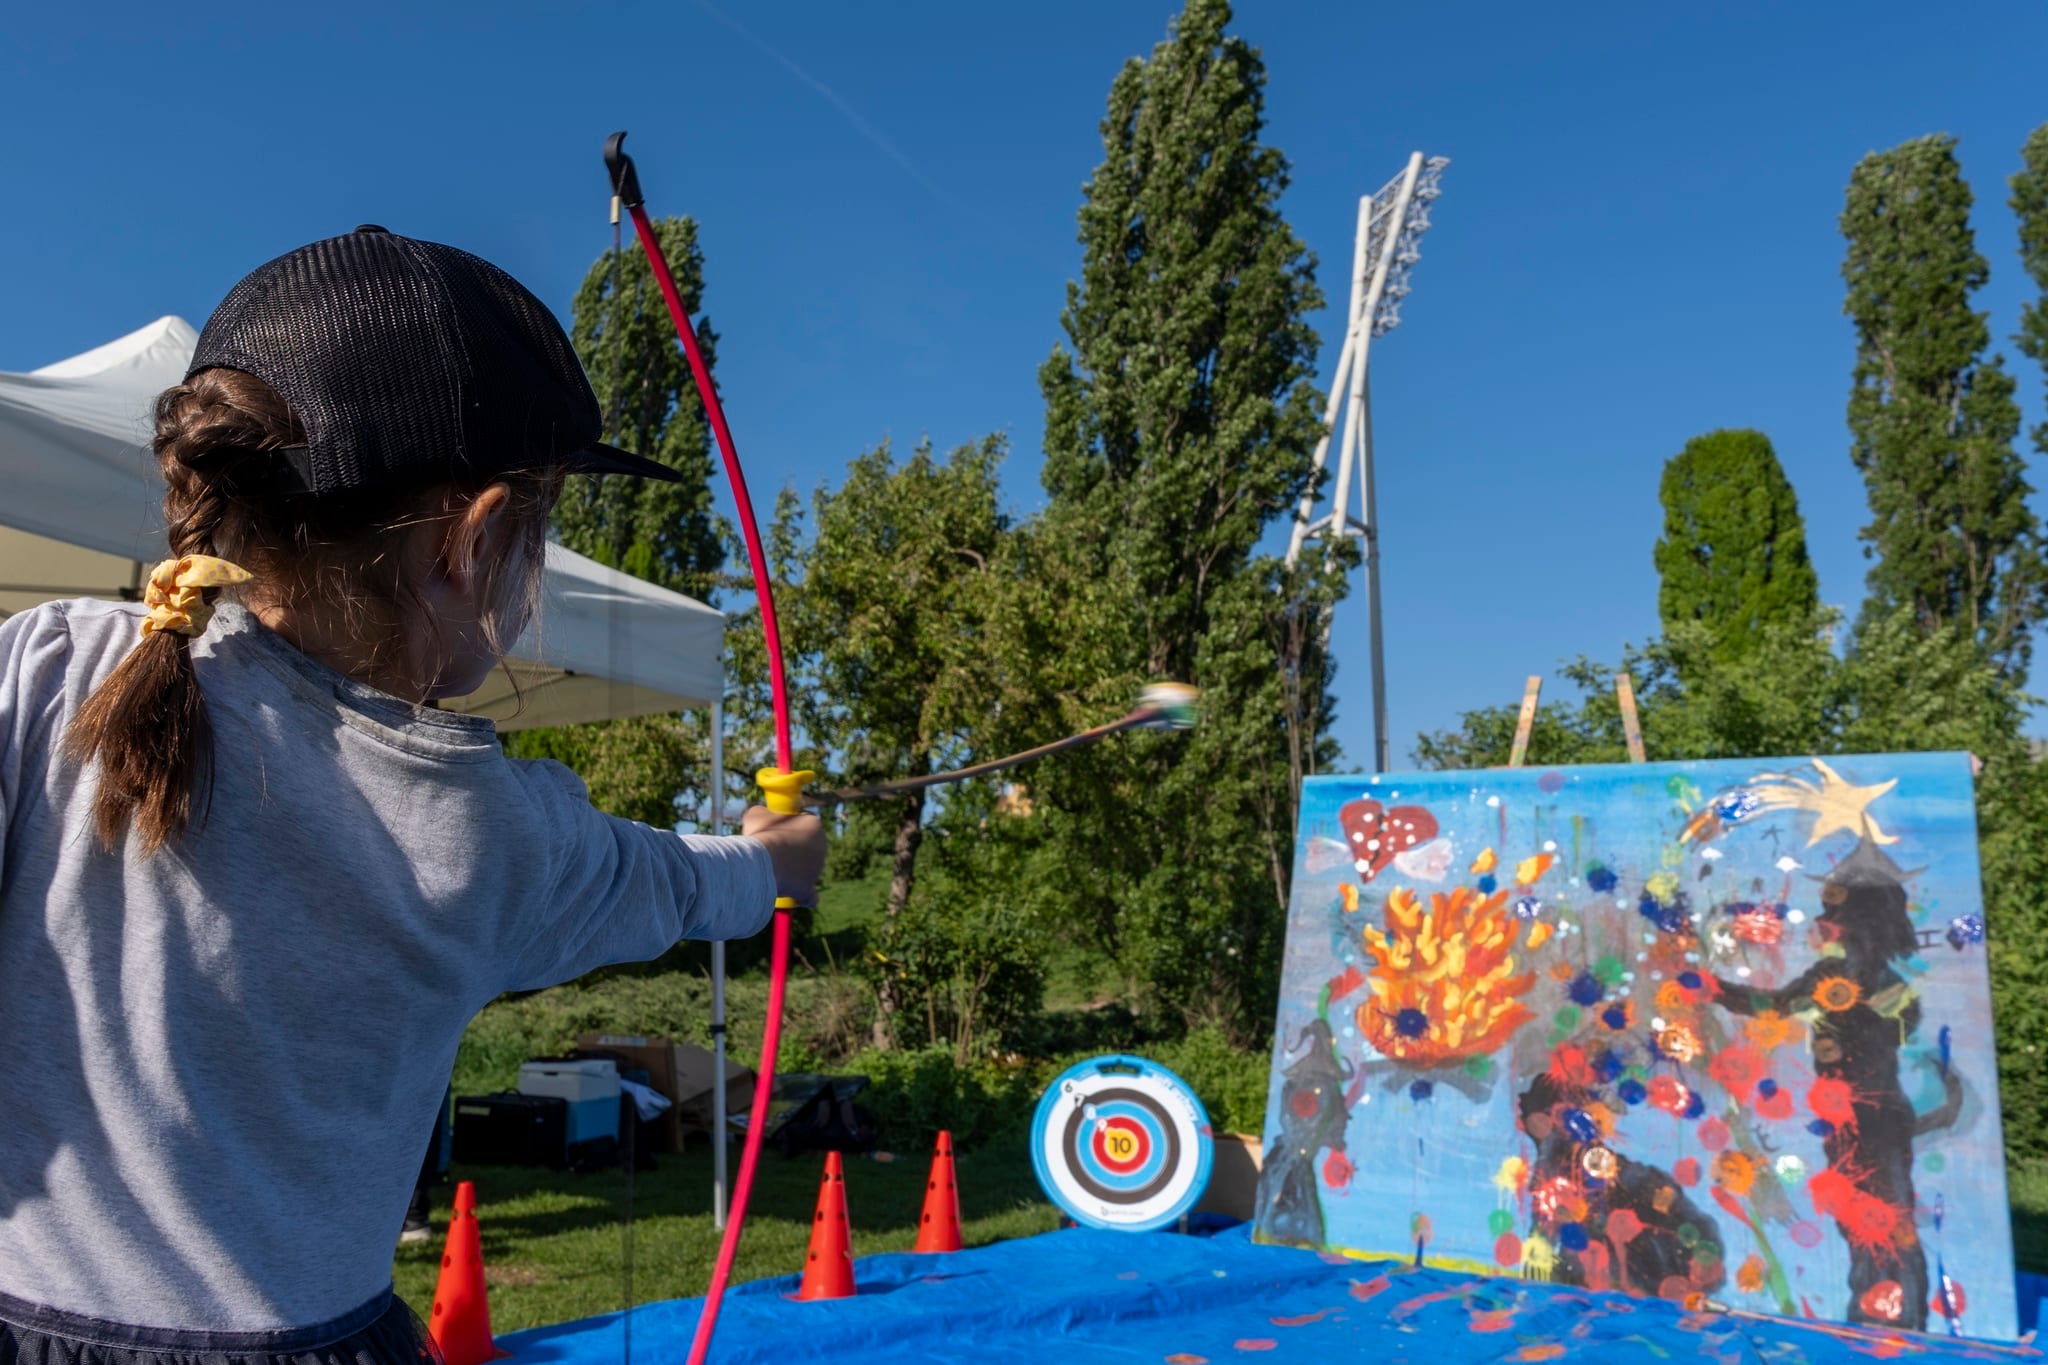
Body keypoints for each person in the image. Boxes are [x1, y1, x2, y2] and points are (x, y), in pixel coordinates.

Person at [0, 228, 824, 1365]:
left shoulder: (48, 666)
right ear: (473, 538)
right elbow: (692, 882)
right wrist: (782, 858)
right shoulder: (489, 827)